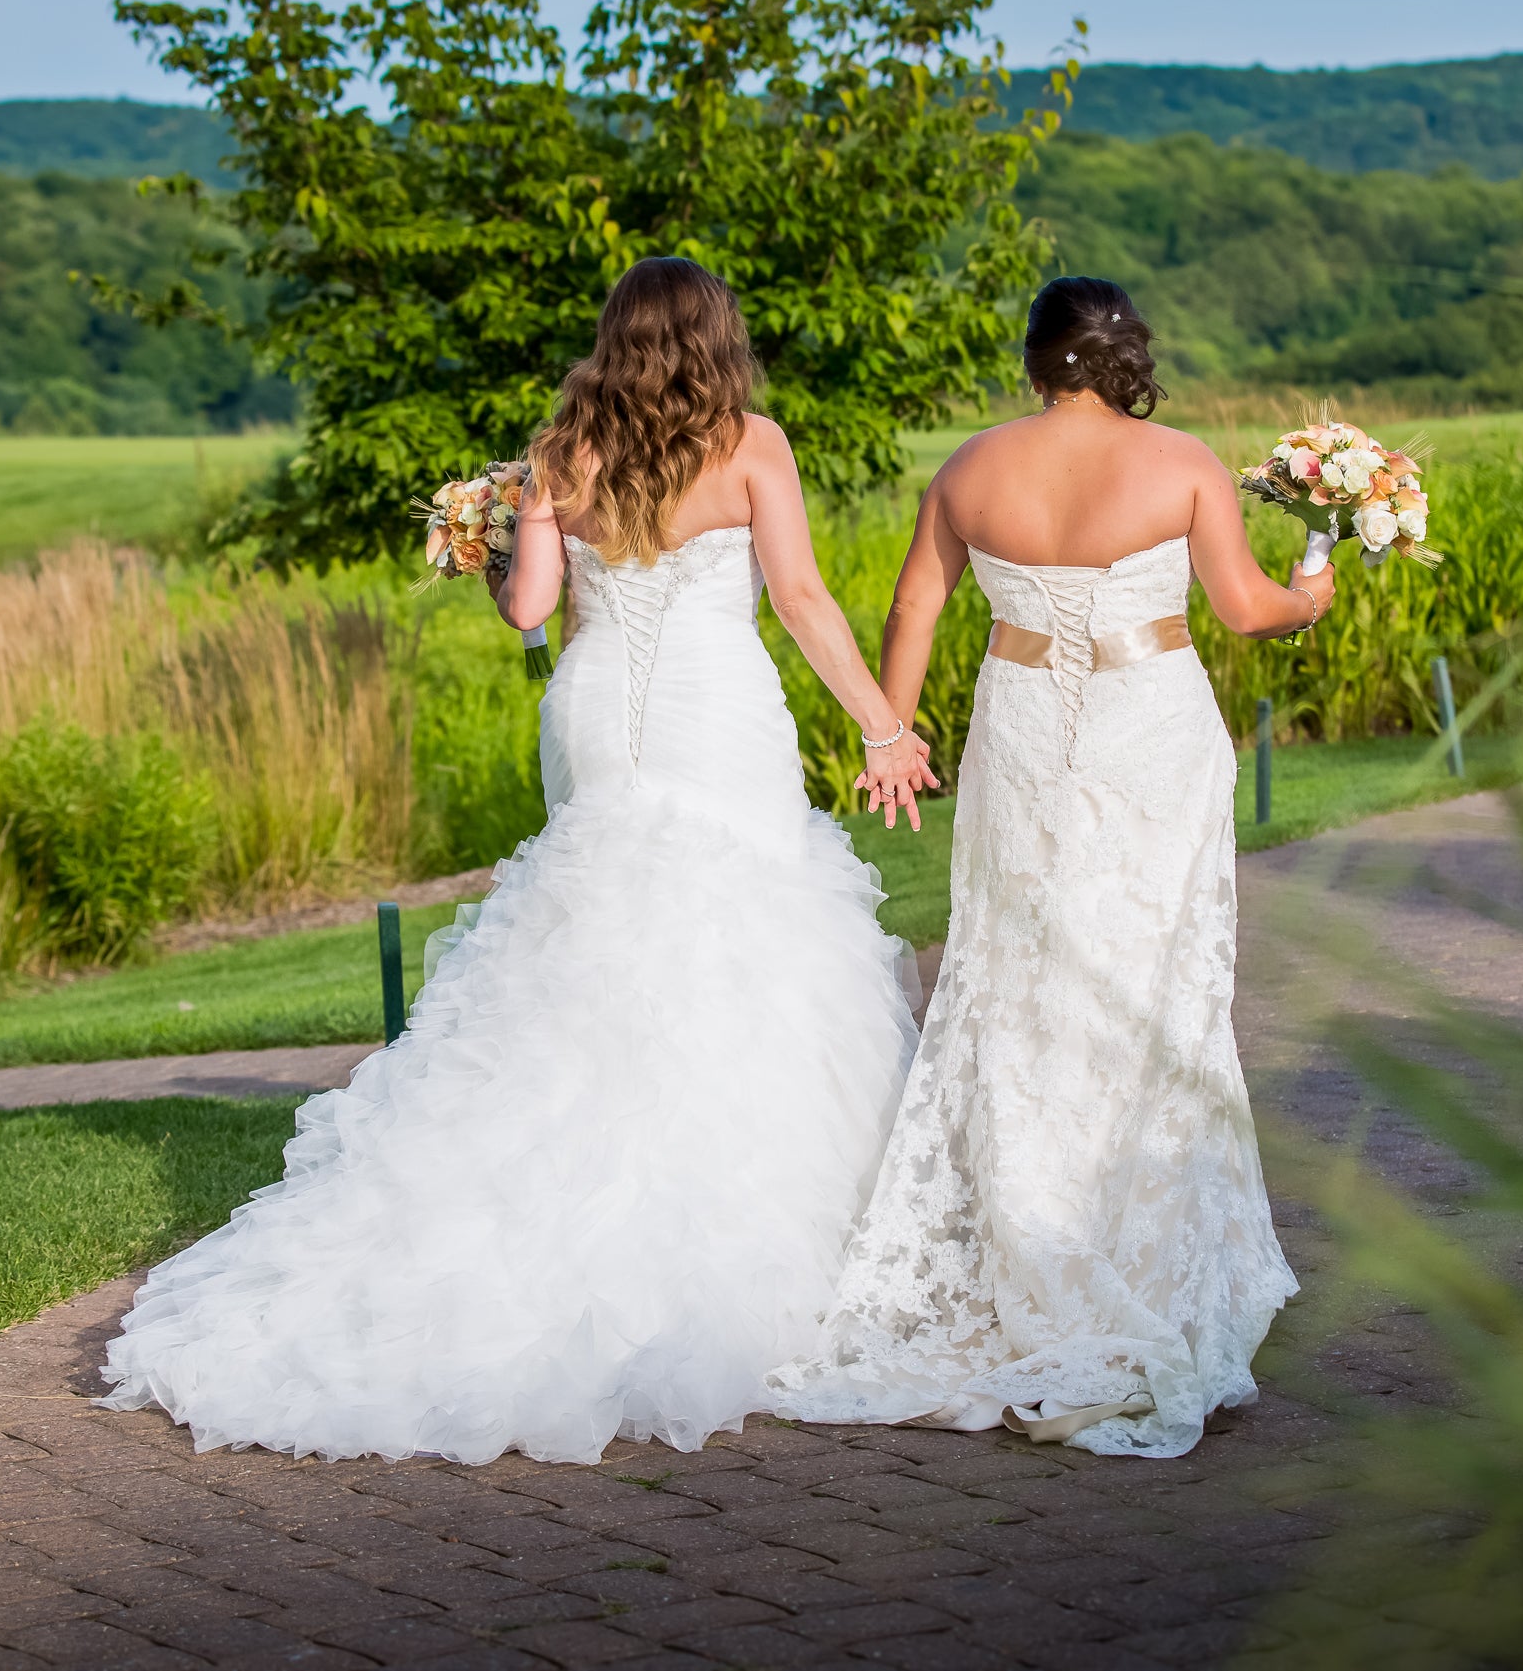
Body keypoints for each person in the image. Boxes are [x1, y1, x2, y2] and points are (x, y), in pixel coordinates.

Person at [101, 257, 937, 1464]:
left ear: (612, 336)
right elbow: (800, 596)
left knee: (597, 924)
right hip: (716, 708)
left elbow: (530, 613)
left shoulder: (558, 454)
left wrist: (492, 542)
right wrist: (879, 722)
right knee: (736, 923)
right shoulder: (754, 442)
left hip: (594, 713)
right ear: (713, 337)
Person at [772, 275, 1334, 1457]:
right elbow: (1241, 610)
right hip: (1151, 730)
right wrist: (1310, 594)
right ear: (1123, 355)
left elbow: (914, 601)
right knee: (1149, 976)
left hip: (1019, 728)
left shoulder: (970, 470)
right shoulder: (1179, 459)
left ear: (1033, 360)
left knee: (1015, 977)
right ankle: (1127, 1244)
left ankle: (1030, 1245)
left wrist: (895, 730)